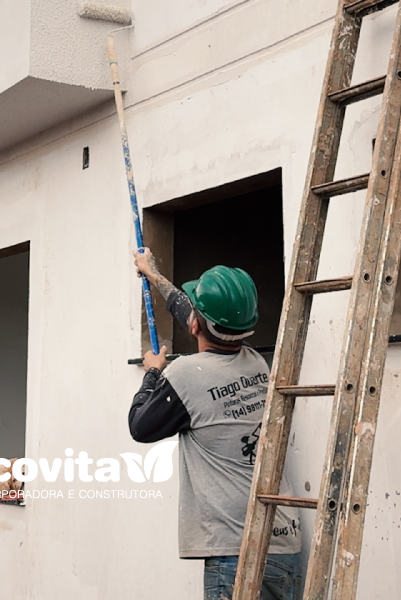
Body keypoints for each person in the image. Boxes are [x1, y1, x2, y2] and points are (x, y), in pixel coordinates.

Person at [128, 248, 303, 600]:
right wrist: (153, 274)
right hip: (285, 545)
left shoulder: (186, 375)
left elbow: (140, 426)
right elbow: (193, 314)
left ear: (196, 325)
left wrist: (152, 373)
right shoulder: (255, 362)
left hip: (235, 552)